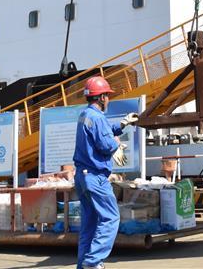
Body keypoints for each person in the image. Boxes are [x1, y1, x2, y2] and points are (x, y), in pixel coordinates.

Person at [73, 76, 139, 269]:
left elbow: (103, 132)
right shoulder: (97, 117)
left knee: (90, 225)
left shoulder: (85, 115)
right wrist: (117, 145)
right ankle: (93, 263)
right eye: (107, 96)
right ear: (101, 97)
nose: (108, 99)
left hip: (82, 177)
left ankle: (84, 265)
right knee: (111, 218)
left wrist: (123, 124)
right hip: (96, 178)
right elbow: (105, 143)